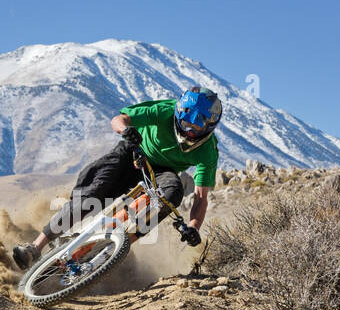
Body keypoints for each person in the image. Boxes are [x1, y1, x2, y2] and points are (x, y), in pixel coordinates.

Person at [11, 86, 222, 269]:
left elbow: (200, 197)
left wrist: (194, 226)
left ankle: (115, 248)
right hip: (132, 153)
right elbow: (119, 119)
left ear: (209, 126)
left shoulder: (208, 151)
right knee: (91, 196)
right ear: (178, 112)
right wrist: (126, 130)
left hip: (160, 173)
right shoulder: (164, 110)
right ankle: (35, 248)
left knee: (172, 193)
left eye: (196, 128)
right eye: (185, 123)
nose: (189, 131)